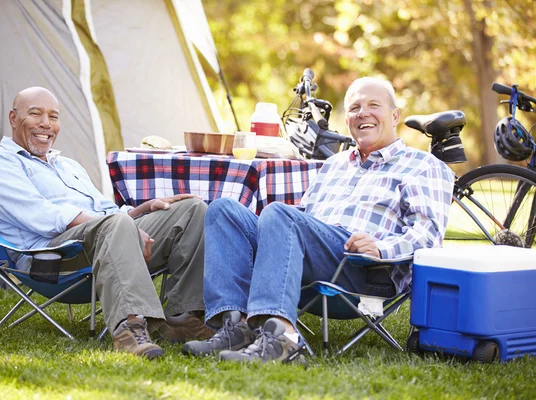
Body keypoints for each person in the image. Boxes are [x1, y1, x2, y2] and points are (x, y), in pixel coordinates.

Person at [182, 77, 455, 363]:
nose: (363, 113)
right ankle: (235, 327)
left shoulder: (423, 165)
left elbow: (428, 236)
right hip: (310, 259)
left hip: (363, 269)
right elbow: (304, 217)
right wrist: (271, 224)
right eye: (354, 108)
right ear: (347, 119)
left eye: (374, 105)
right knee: (224, 209)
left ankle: (282, 339)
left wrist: (382, 248)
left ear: (395, 115)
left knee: (278, 212)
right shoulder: (335, 164)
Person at [0, 87, 214, 359]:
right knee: (115, 224)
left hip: (105, 238)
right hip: (52, 257)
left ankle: (182, 317)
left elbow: (105, 209)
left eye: (53, 117)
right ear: (12, 118)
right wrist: (118, 223)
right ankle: (130, 327)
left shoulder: (66, 165)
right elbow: (44, 216)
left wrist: (143, 209)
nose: (46, 124)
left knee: (192, 209)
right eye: (36, 114)